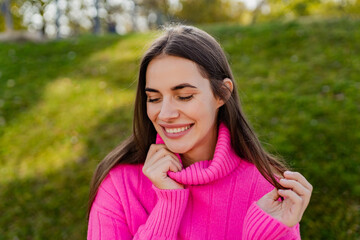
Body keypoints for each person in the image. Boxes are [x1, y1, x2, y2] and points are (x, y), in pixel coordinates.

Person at [87, 25, 312, 240]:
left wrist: (263, 233)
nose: (165, 114)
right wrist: (167, 208)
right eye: (154, 98)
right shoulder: (119, 186)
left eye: (184, 96)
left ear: (222, 93)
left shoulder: (268, 190)